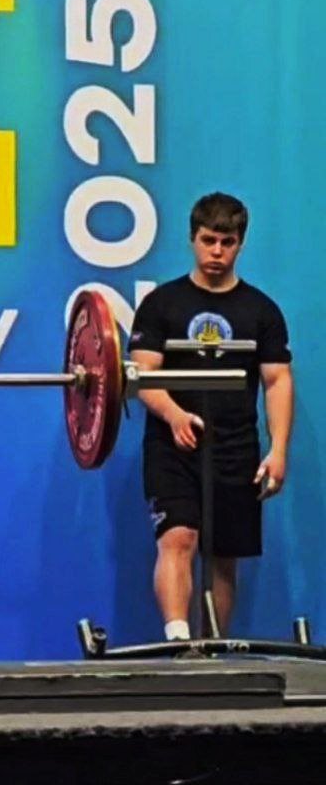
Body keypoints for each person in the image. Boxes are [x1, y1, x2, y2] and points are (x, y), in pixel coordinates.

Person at [129, 192, 293, 640]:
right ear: (192, 239)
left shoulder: (261, 311)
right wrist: (174, 415)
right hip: (172, 444)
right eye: (208, 241)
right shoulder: (161, 304)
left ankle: (212, 650)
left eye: (227, 242)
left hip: (236, 447)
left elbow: (277, 380)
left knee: (223, 557)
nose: (216, 252)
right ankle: (180, 642)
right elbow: (141, 374)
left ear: (240, 243)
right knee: (178, 538)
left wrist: (278, 450)